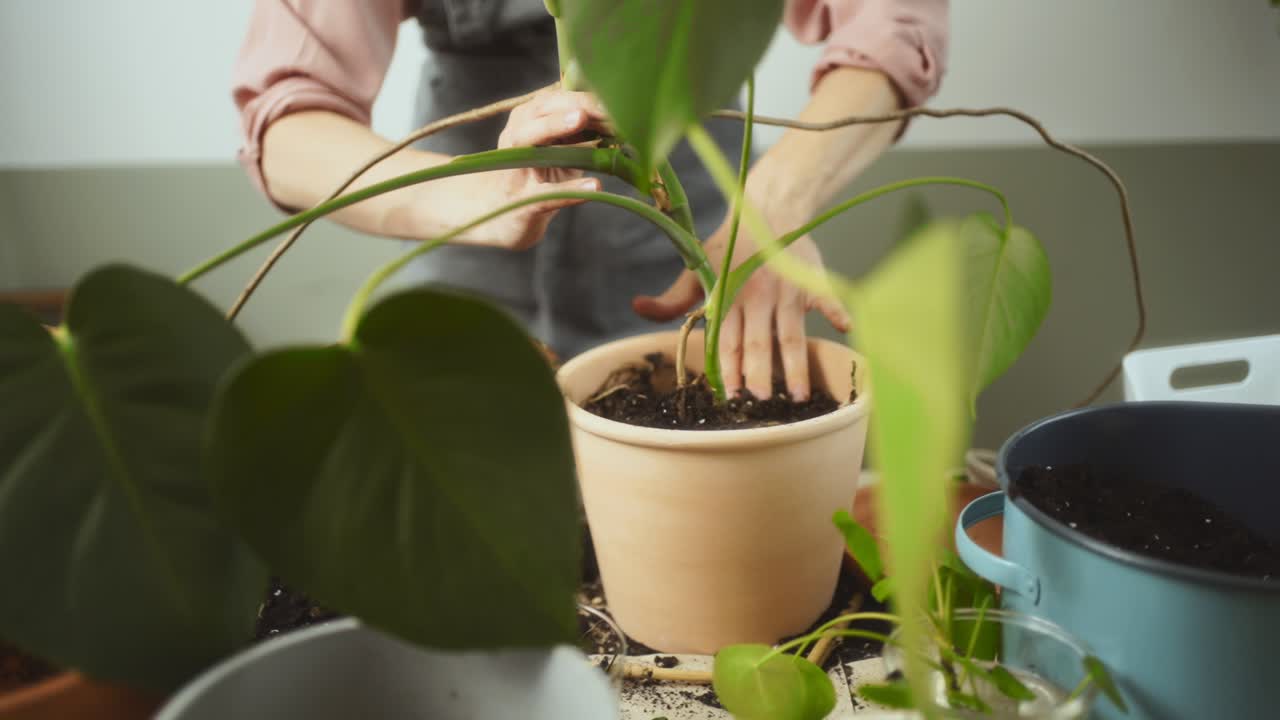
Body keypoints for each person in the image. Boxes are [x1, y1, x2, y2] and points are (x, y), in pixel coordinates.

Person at [233, 0, 948, 401]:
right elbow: (286, 124)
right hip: (473, 286)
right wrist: (486, 194)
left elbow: (893, 22)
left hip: (705, 267)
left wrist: (778, 198)